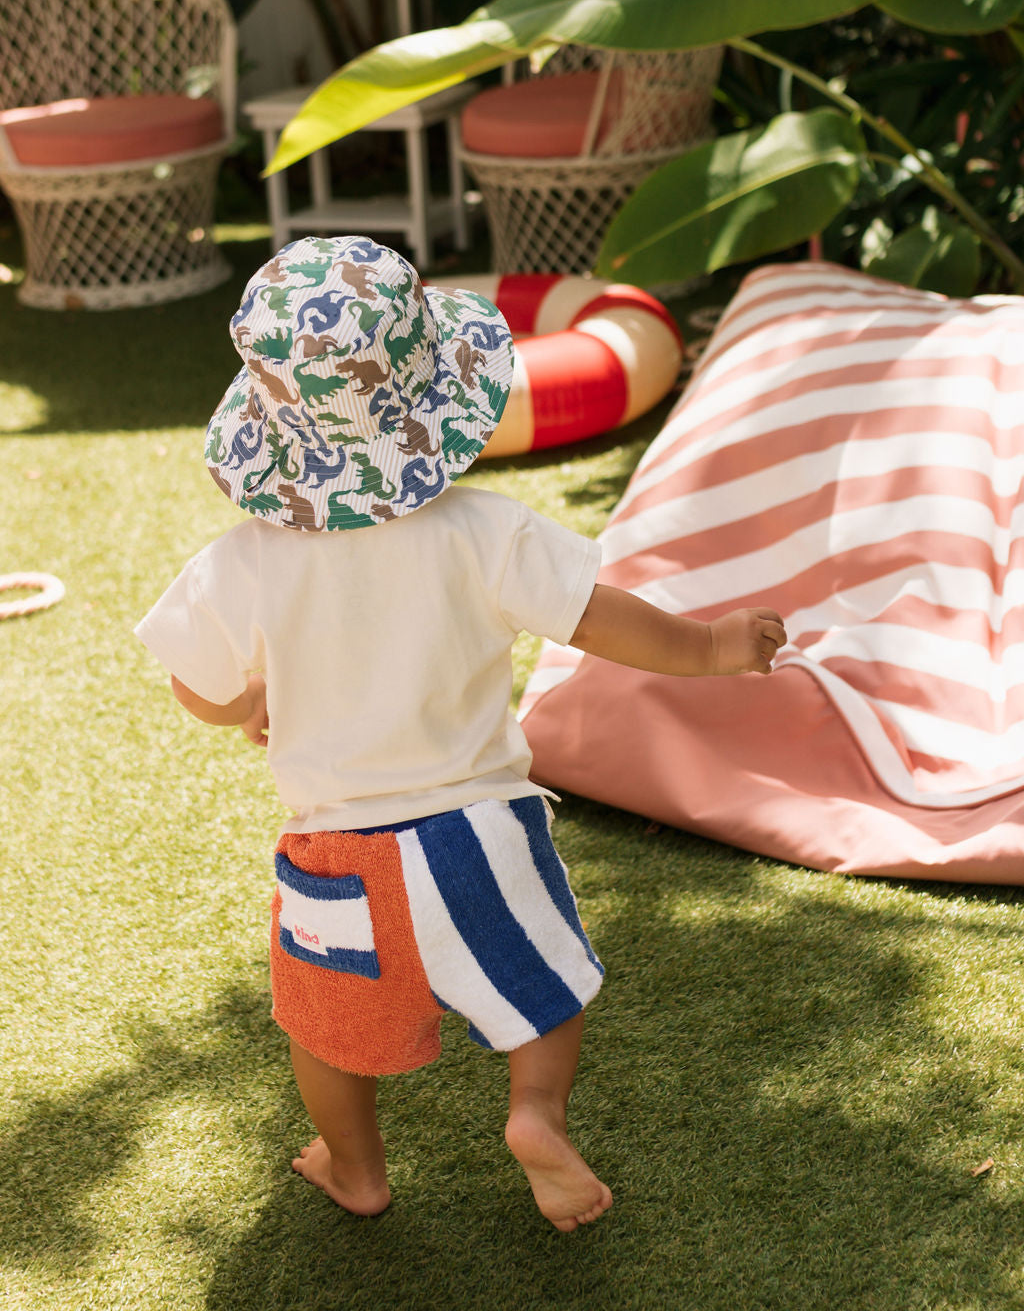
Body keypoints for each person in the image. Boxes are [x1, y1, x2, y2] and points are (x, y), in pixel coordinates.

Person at [135, 235, 786, 1233]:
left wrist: (247, 702)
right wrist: (709, 648)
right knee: (543, 988)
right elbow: (600, 617)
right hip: (480, 831)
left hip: (337, 852)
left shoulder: (244, 563)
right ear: (436, 403)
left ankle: (354, 1167)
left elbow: (199, 688)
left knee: (326, 1030)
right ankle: (534, 1114)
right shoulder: (483, 531)